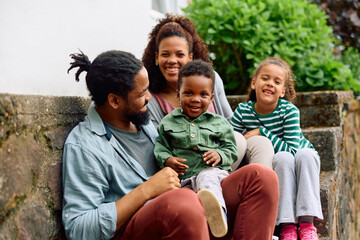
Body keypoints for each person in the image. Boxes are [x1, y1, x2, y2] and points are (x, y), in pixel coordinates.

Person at [63, 49, 279, 240]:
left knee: (261, 178)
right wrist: (147, 190)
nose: (149, 98)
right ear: (114, 101)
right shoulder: (84, 146)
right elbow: (78, 228)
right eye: (141, 93)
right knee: (183, 203)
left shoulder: (143, 123)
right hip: (143, 225)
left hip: (186, 211)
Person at [142, 13, 274, 170]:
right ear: (156, 57)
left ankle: (257, 189)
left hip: (223, 155)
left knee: (260, 143)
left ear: (190, 57)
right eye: (165, 54)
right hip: (188, 167)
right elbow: (159, 144)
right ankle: (213, 190)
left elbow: (230, 123)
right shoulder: (151, 96)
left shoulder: (211, 79)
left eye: (180, 54)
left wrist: (224, 151)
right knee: (236, 140)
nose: (172, 60)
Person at [230, 57, 323, 240]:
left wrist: (261, 132)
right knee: (281, 158)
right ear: (254, 82)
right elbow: (230, 139)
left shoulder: (289, 111)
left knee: (300, 155)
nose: (270, 84)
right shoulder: (243, 111)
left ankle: (307, 223)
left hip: (302, 159)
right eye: (265, 78)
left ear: (283, 91)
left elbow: (293, 150)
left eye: (277, 81)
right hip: (281, 162)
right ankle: (287, 225)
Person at [154, 60, 238, 238]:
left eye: (203, 94)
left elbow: (231, 148)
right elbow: (161, 147)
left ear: (211, 98)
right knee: (179, 198)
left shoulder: (219, 123)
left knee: (206, 178)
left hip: (214, 175)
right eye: (189, 93)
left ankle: (218, 215)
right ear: (179, 94)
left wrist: (220, 154)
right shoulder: (168, 122)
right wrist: (167, 160)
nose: (195, 99)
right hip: (184, 179)